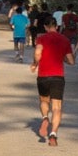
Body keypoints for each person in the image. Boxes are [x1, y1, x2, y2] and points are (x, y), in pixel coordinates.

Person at [30, 16, 74, 146]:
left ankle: (45, 118)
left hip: (43, 75)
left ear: (45, 27)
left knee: (44, 101)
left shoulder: (41, 38)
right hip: (58, 76)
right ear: (57, 26)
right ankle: (53, 134)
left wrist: (35, 64)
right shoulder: (64, 39)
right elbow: (71, 61)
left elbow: (38, 53)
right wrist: (63, 58)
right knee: (57, 107)